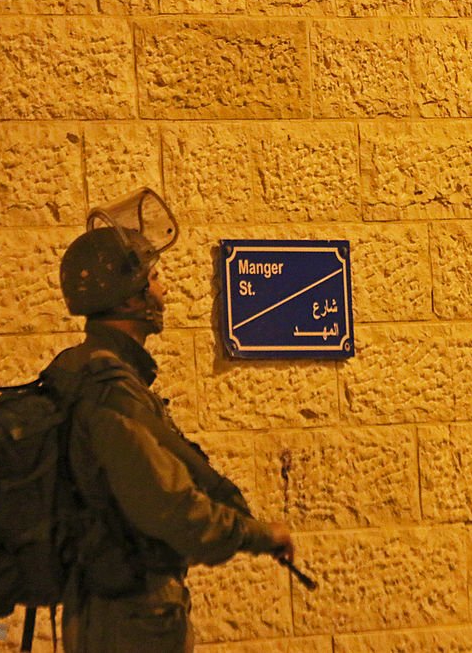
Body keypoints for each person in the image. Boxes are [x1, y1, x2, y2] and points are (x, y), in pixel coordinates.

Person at [51, 188, 292, 652]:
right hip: (135, 617)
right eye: (155, 279)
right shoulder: (110, 389)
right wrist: (259, 534)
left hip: (105, 608)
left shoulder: (84, 369)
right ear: (128, 300)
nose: (164, 290)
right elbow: (171, 508)